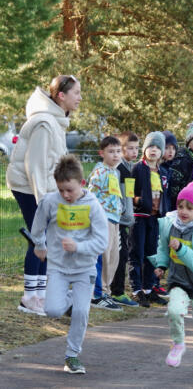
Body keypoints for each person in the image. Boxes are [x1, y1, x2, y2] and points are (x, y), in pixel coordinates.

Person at [7, 75, 82, 315]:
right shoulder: (44, 123)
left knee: (46, 239)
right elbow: (36, 167)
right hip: (30, 188)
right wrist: (43, 203)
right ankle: (30, 297)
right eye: (76, 93)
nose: (80, 98)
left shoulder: (55, 121)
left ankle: (40, 295)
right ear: (61, 95)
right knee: (38, 237)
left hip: (44, 189)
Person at [31, 154, 108, 374]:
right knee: (53, 310)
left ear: (81, 183)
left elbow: (102, 242)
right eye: (61, 190)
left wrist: (79, 247)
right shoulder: (50, 201)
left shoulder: (93, 206)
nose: (65, 195)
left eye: (70, 190)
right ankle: (74, 302)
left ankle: (72, 356)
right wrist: (39, 244)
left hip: (85, 268)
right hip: (58, 266)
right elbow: (37, 226)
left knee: (81, 313)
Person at [149, 182, 193, 376]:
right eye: (180, 206)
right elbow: (164, 248)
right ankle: (178, 343)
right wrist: (161, 265)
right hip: (179, 280)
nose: (183, 211)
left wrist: (181, 249)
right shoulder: (170, 225)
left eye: (189, 208)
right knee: (174, 310)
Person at [129, 131, 169, 307]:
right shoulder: (137, 168)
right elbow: (129, 191)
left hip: (155, 218)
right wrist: (138, 201)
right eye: (150, 146)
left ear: (162, 152)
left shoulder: (163, 172)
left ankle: (148, 288)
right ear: (144, 149)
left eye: (157, 147)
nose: (154, 150)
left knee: (152, 255)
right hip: (139, 217)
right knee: (137, 253)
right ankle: (136, 290)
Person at [88, 136, 123, 311]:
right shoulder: (100, 172)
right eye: (111, 152)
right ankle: (97, 293)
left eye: (118, 151)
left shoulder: (114, 172)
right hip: (103, 218)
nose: (115, 155)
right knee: (104, 255)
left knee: (114, 256)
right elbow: (91, 195)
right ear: (102, 153)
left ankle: (106, 290)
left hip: (115, 218)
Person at [110, 131, 140, 307]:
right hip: (118, 220)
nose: (134, 152)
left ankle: (117, 289)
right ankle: (117, 291)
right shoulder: (119, 169)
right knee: (120, 256)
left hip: (127, 219)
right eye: (130, 148)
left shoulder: (129, 168)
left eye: (136, 148)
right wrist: (123, 213)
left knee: (123, 255)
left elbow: (128, 194)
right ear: (121, 149)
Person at [167, 121, 193, 210]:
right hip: (180, 206)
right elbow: (174, 186)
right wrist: (179, 206)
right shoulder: (182, 159)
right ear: (188, 142)